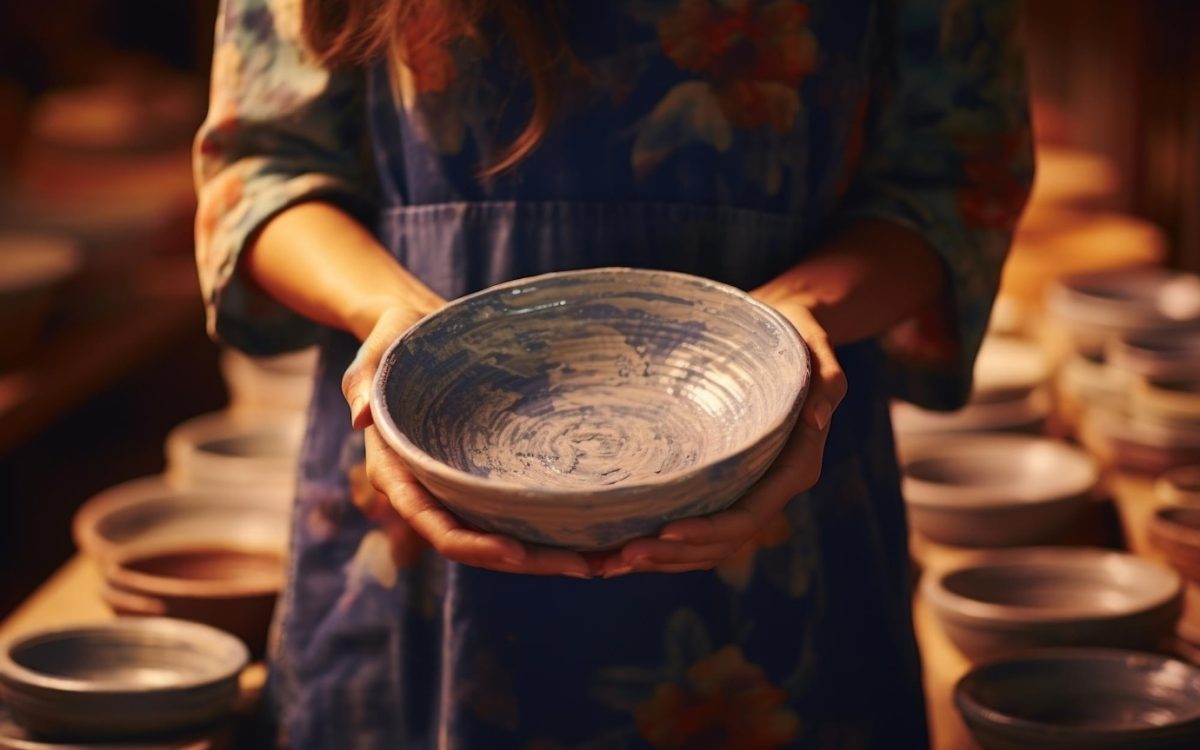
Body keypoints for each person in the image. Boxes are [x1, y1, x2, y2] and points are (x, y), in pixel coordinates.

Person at [194, 0, 1032, 747]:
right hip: (421, 480)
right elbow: (259, 170)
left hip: (779, 467)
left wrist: (781, 328)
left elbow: (957, 173)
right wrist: (393, 321)